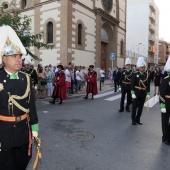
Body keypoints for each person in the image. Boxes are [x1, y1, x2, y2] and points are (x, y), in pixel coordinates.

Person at [0, 25, 39, 169]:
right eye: (14, 56)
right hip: (3, 134)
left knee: (23, 163)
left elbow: (31, 107)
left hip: (23, 132)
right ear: (4, 59)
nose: (19, 59)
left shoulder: (26, 78)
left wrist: (34, 128)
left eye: (20, 56)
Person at [131, 57, 150, 125]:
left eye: (144, 67)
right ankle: (133, 119)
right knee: (134, 107)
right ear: (139, 67)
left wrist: (148, 93)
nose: (143, 68)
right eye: (141, 67)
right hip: (136, 92)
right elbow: (132, 84)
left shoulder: (146, 75)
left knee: (141, 107)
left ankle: (138, 119)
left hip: (143, 93)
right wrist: (132, 93)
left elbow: (148, 85)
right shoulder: (135, 74)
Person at [159, 56, 170, 145]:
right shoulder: (165, 80)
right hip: (167, 102)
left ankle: (168, 135)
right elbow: (161, 94)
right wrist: (162, 106)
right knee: (165, 121)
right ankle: (165, 137)